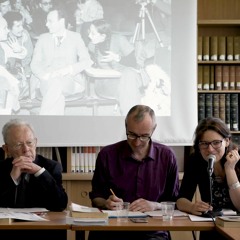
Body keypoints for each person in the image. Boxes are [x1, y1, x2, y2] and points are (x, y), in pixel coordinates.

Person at [88, 104, 179, 240]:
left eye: (144, 136)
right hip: (112, 230)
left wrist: (154, 205)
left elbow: (175, 202)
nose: (137, 142)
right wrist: (106, 203)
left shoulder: (167, 156)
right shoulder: (107, 155)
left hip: (152, 231)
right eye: (132, 135)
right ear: (125, 126)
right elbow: (96, 197)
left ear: (153, 130)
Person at [176, 117, 240, 240]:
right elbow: (181, 199)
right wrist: (191, 207)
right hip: (211, 225)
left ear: (227, 141)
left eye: (216, 142)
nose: (210, 149)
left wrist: (230, 169)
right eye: (204, 144)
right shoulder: (196, 160)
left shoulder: (238, 160)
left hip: (236, 227)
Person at [30, 4, 93, 115]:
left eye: (50, 21)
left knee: (56, 84)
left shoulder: (76, 37)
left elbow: (87, 61)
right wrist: (46, 75)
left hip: (69, 80)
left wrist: (69, 69)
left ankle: (42, 119)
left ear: (61, 21)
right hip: (46, 80)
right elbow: (34, 63)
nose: (46, 24)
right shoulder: (43, 38)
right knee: (57, 95)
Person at [0, 118, 68, 210]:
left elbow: (60, 205)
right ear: (7, 149)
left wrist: (40, 172)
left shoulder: (51, 167)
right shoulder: (1, 168)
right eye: (18, 145)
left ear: (35, 143)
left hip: (40, 223)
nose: (26, 149)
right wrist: (12, 178)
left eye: (29, 143)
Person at [88, 19, 145, 115]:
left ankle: (132, 116)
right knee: (129, 89)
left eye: (93, 33)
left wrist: (117, 57)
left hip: (127, 77)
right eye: (89, 32)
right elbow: (91, 64)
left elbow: (133, 63)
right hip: (106, 81)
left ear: (103, 36)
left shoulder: (119, 39)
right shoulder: (92, 46)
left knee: (128, 78)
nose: (89, 36)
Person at [0, 15, 20, 113]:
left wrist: (19, 49)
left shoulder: (3, 46)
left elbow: (22, 54)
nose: (8, 31)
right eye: (4, 28)